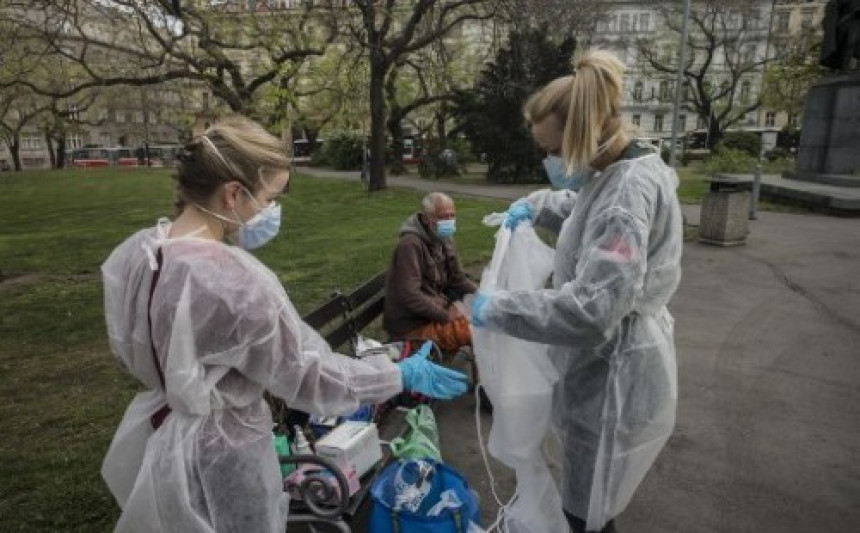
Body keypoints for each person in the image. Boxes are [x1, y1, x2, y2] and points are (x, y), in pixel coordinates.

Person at [100, 116, 468, 532]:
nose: (270, 211)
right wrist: (398, 373)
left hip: (165, 442)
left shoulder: (139, 253)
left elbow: (128, 347)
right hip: (226, 453)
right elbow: (309, 377)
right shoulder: (232, 282)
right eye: (269, 197)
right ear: (233, 194)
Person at [471, 50, 683, 533]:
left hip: (612, 378)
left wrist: (498, 309)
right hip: (603, 370)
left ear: (583, 136)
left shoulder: (626, 196)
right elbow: (584, 207)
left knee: (587, 513)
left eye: (551, 150)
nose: (549, 161)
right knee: (588, 502)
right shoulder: (616, 171)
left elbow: (591, 310)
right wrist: (538, 206)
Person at [383, 192, 477, 352]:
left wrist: (483, 296)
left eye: (452, 216)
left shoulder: (444, 238)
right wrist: (445, 316)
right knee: (478, 333)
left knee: (488, 320)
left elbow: (457, 279)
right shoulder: (410, 245)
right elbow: (409, 295)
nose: (449, 221)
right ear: (426, 219)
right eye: (443, 217)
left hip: (432, 314)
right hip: (412, 328)